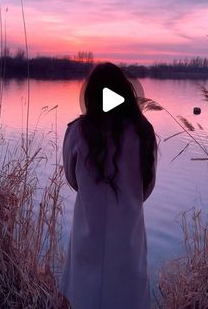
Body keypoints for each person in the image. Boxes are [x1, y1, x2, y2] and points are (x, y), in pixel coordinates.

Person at [59, 62, 157, 309]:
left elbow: (72, 179)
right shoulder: (144, 132)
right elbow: (147, 188)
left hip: (87, 236)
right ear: (125, 92)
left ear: (91, 96)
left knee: (86, 297)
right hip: (128, 240)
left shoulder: (77, 131)